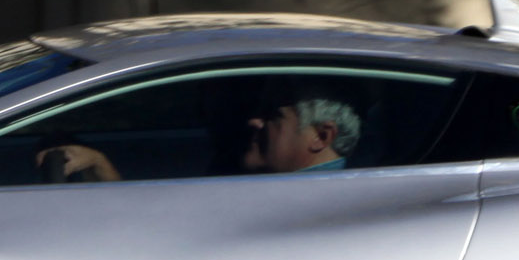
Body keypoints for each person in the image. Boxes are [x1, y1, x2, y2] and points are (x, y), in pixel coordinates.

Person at [36, 87, 365, 183]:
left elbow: (161, 242)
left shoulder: (305, 202)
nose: (253, 122)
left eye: (272, 117)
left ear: (321, 136)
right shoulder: (288, 191)